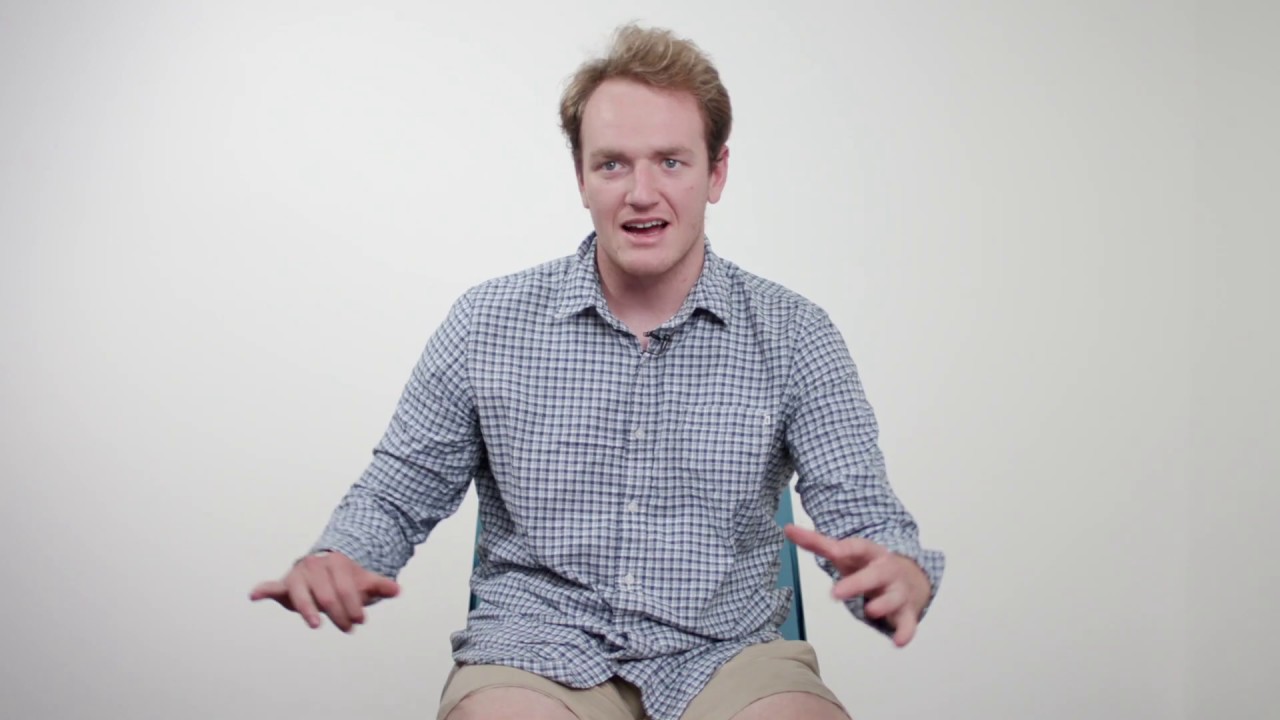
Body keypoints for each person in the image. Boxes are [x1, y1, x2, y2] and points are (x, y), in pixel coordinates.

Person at [250, 23, 944, 720]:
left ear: (716, 173)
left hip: (729, 656)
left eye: (670, 161)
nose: (642, 192)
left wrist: (897, 568)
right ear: (580, 177)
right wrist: (341, 556)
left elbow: (861, 508)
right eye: (613, 164)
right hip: (536, 654)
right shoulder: (487, 323)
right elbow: (399, 490)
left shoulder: (795, 333)